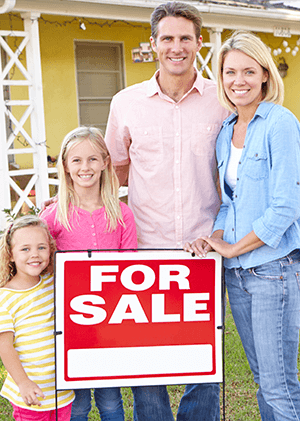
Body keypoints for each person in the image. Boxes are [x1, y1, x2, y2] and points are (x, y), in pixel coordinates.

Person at [105, 2, 229, 420]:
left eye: (185, 38)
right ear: (154, 43)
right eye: (168, 38)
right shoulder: (126, 103)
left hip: (206, 245)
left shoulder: (223, 99)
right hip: (144, 247)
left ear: (198, 43)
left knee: (204, 353)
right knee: (146, 356)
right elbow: (114, 170)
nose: (177, 47)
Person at [185, 30, 300, 421]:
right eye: (230, 72)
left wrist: (235, 247)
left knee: (278, 384)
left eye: (249, 71)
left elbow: (286, 205)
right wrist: (215, 237)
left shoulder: (280, 123)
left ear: (265, 75)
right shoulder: (226, 131)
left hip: (272, 270)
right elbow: (229, 203)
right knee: (262, 378)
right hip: (237, 275)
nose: (239, 81)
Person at [40, 126, 137, 421]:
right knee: (77, 404)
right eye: (77, 160)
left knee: (111, 400)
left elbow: (130, 269)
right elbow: (39, 268)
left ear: (106, 162)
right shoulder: (53, 216)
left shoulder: (122, 214)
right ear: (66, 167)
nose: (85, 167)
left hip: (110, 321)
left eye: (93, 159)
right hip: (69, 324)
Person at [0, 215, 75, 421]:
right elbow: (5, 347)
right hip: (31, 393)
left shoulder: (53, 282)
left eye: (41, 247)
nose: (35, 254)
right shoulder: (5, 298)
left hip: (60, 391)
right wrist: (23, 383)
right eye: (25, 249)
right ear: (11, 254)